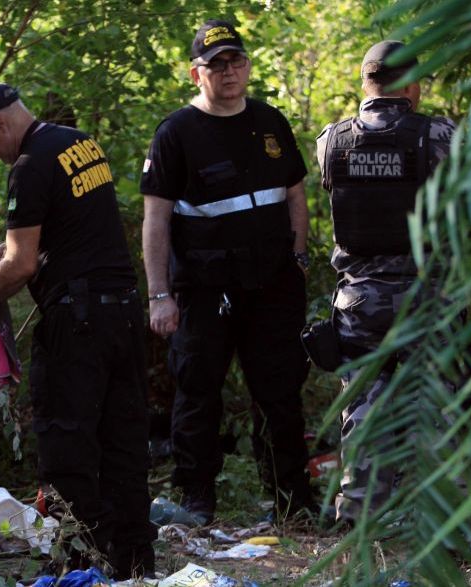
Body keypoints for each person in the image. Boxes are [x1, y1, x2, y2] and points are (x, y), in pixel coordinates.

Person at [0, 81, 155, 579]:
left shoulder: (28, 165)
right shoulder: (77, 143)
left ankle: (78, 565)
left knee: (68, 447)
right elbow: (72, 225)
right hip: (124, 315)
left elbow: (21, 266)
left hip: (78, 324)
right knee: (123, 443)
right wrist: (1, 249)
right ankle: (133, 563)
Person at [140, 19, 316, 524]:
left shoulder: (269, 121)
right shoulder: (176, 133)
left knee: (280, 391)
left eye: (236, 62)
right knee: (198, 391)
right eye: (216, 65)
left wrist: (299, 258)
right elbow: (156, 220)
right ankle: (197, 500)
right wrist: (159, 295)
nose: (229, 72)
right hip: (205, 288)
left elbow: (296, 193)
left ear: (247, 66)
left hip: (273, 285)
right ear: (196, 74)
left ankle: (292, 501)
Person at [315, 40, 456, 520]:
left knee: (364, 413)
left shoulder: (330, 140)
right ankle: (440, 522)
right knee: (435, 407)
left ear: (365, 81)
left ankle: (358, 516)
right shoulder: (439, 135)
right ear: (412, 84)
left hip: (359, 301)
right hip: (425, 296)